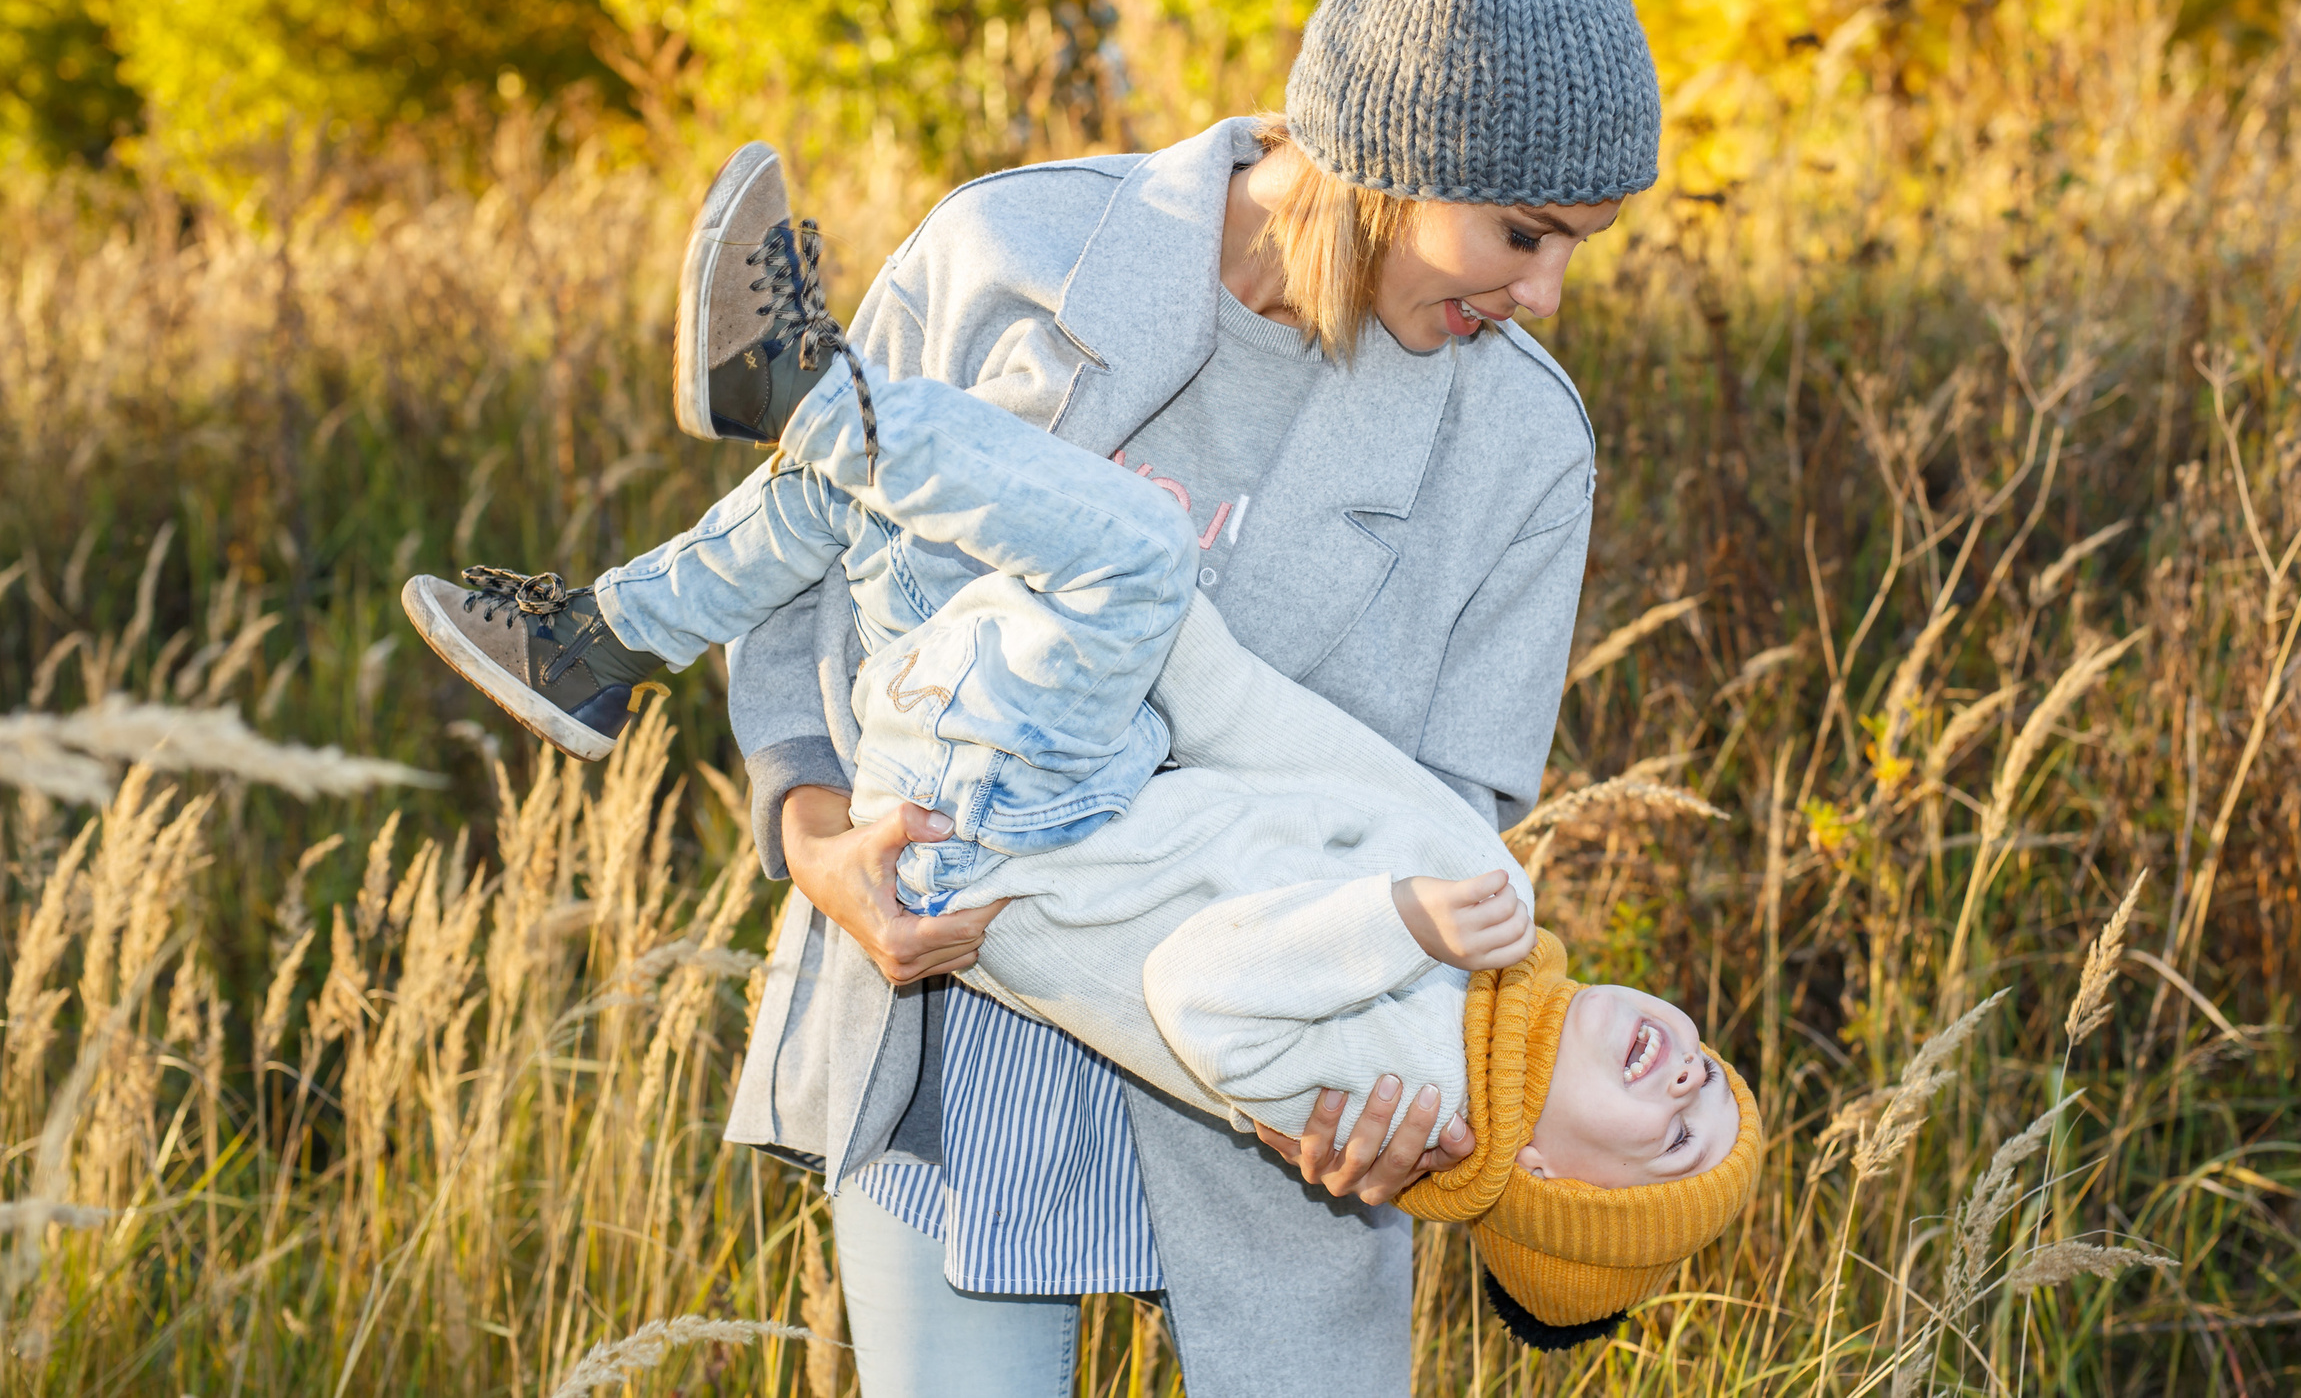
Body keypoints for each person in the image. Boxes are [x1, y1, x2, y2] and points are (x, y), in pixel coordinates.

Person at [428, 0, 1662, 1397]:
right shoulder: (1009, 253)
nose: (1547, 293)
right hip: (963, 1004)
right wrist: (814, 839)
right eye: (1523, 231)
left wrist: (1407, 1100)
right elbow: (802, 589)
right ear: (1386, 149)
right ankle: (614, 623)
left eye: (1576, 245)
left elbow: (1443, 807)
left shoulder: (1520, 444)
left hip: (1269, 1080)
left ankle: (638, 589)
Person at [404, 321, 1764, 1344]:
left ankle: (802, 389)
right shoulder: (1491, 906)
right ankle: (597, 644)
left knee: (1088, 533)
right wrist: (1156, 620)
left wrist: (1389, 917)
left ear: (1548, 1179)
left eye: (1673, 1131)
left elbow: (1196, 993)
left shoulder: (1405, 1091)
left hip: (1000, 839)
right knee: (887, 481)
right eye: (1713, 1072)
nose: (1687, 1073)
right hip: (1060, 756)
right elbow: (1258, 728)